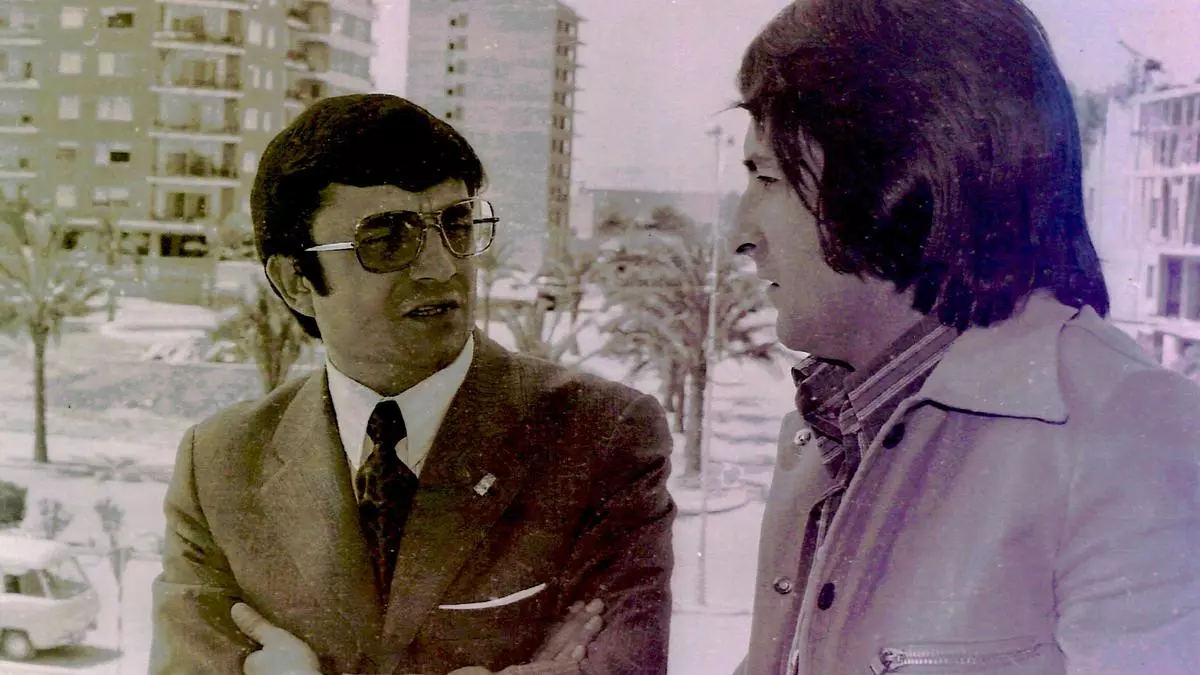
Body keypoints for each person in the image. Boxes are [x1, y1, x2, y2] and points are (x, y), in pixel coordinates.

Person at [729, 1, 1200, 674]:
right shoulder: (827, 429)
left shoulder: (1127, 434)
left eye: (767, 178)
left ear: (893, 180)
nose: (742, 233)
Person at [149, 94, 675, 675]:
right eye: (387, 239)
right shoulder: (220, 465)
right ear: (296, 280)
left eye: (456, 225)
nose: (441, 267)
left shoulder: (601, 439)